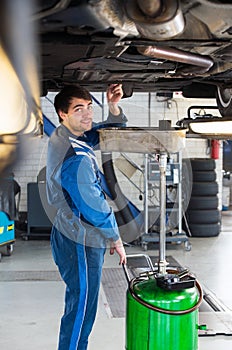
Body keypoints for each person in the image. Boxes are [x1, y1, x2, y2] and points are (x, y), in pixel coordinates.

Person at [46, 83, 127, 350]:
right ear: (62, 113)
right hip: (79, 236)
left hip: (71, 231)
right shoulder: (75, 155)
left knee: (82, 304)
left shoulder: (67, 136)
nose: (88, 114)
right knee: (81, 309)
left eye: (90, 107)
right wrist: (115, 238)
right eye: (79, 109)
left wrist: (113, 106)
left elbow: (108, 133)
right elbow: (93, 205)